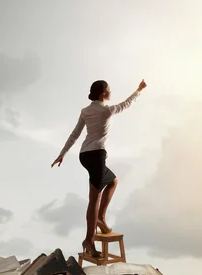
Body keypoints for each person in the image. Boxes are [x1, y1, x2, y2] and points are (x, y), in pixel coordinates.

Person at [51, 79, 147, 257]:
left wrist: (62, 153)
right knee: (94, 199)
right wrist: (139, 90)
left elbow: (75, 134)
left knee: (113, 181)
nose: (111, 92)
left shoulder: (86, 111)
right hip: (97, 155)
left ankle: (101, 219)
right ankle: (89, 240)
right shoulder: (106, 110)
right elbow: (127, 104)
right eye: (109, 90)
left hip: (85, 155)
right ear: (103, 93)